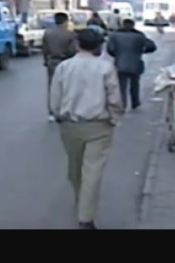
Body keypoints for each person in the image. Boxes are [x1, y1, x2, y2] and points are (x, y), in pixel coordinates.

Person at [49, 28, 124, 230]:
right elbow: (114, 98)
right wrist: (115, 117)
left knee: (74, 166)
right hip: (99, 125)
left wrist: (57, 114)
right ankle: (86, 218)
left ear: (77, 44)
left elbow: (55, 96)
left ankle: (80, 196)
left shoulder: (64, 67)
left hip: (70, 125)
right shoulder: (105, 68)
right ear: (99, 46)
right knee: (93, 170)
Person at [105, 18, 157, 111]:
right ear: (133, 25)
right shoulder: (139, 36)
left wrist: (117, 54)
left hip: (120, 63)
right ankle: (135, 102)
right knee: (135, 84)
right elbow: (152, 47)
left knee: (121, 85)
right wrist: (141, 50)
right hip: (135, 63)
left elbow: (110, 49)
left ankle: (122, 104)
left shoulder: (115, 35)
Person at [42, 12, 78, 122]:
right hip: (66, 62)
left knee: (52, 87)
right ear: (65, 22)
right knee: (67, 87)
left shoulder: (48, 33)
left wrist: (46, 61)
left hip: (52, 62)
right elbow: (73, 50)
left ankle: (52, 112)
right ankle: (66, 110)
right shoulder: (71, 34)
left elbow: (44, 49)